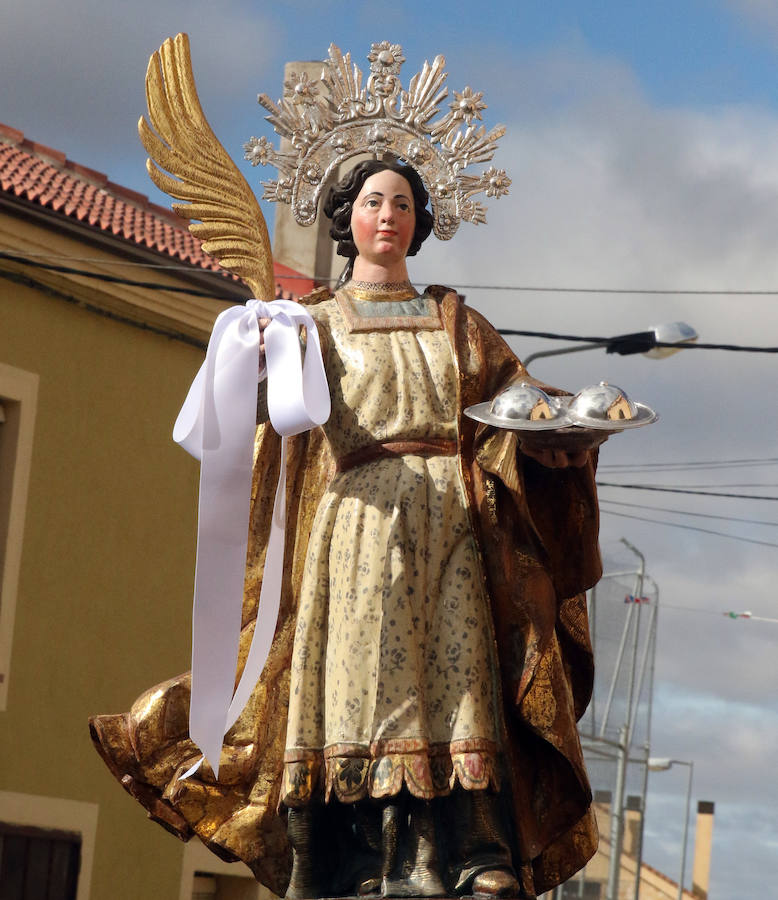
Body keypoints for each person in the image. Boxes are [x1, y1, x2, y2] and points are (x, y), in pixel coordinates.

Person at [90, 159, 603, 899]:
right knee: (360, 687)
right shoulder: (314, 321)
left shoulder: (458, 322)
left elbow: (514, 409)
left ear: (421, 222)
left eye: (403, 203)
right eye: (373, 202)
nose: (388, 215)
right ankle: (351, 855)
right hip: (359, 525)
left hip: (451, 521)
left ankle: (471, 850)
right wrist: (251, 346)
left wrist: (559, 443)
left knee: (460, 678)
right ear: (348, 218)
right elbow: (262, 413)